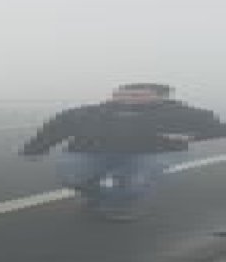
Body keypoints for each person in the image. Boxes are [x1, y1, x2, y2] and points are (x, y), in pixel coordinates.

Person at [20, 83, 224, 221]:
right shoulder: (87, 112)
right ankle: (98, 196)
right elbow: (55, 128)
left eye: (137, 94)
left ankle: (122, 203)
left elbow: (218, 129)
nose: (127, 98)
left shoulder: (185, 113)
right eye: (122, 93)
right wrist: (35, 149)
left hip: (152, 155)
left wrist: (193, 137)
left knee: (132, 178)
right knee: (72, 176)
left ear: (161, 97)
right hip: (92, 152)